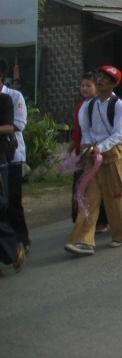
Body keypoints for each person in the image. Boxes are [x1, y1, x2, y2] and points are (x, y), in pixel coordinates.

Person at [65, 66, 122, 256]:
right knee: (89, 197)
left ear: (114, 84)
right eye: (99, 77)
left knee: (115, 196)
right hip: (92, 156)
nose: (100, 80)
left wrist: (100, 148)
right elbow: (84, 127)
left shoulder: (119, 106)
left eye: (105, 78)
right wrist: (88, 144)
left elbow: (117, 134)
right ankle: (83, 240)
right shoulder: (89, 105)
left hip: (111, 155)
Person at [70, 72, 108, 230]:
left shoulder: (99, 105)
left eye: (88, 85)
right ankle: (84, 220)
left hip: (96, 152)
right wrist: (70, 150)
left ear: (96, 88)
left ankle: (100, 221)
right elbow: (76, 131)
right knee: (80, 187)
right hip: (82, 153)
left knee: (96, 188)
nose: (84, 88)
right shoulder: (80, 105)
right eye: (82, 85)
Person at [0, 58, 29, 253]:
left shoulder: (13, 96)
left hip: (12, 153)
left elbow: (18, 124)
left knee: (13, 200)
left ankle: (21, 239)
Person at [0, 89, 24, 271]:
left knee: (4, 205)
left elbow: (13, 126)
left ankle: (13, 249)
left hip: (3, 158)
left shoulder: (6, 99)